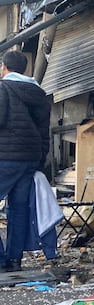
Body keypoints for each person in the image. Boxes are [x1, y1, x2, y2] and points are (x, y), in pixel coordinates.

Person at [0, 50, 51, 272]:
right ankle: (13, 260)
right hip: (30, 158)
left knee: (17, 209)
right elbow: (44, 130)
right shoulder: (38, 92)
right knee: (19, 209)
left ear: (4, 67)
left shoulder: (2, 87)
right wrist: (40, 160)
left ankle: (1, 260)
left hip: (6, 157)